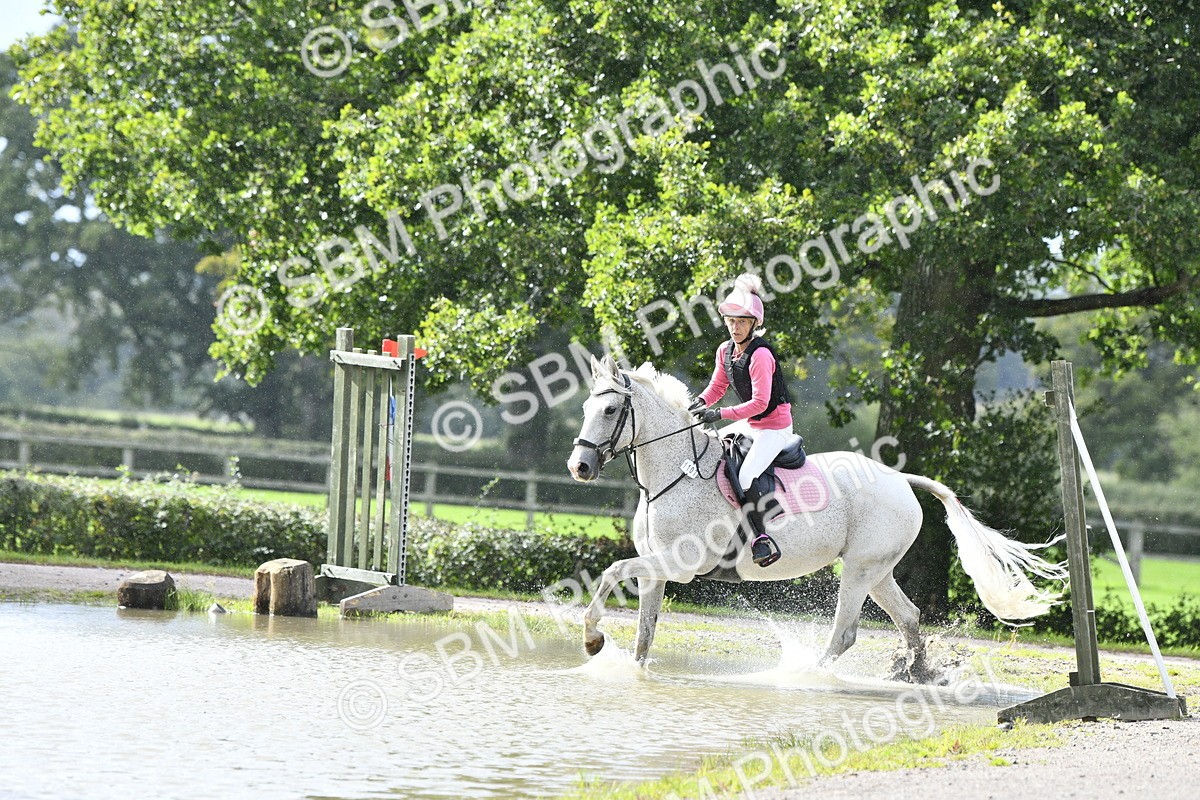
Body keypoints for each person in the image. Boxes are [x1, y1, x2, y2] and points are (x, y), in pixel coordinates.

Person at [689, 273, 799, 566]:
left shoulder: (760, 354)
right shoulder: (724, 350)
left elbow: (761, 403)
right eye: (730, 321)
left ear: (754, 324)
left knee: (746, 475)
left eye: (741, 322)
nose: (734, 327)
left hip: (775, 427)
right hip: (751, 424)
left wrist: (721, 413)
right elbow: (717, 387)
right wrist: (699, 402)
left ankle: (761, 538)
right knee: (712, 449)